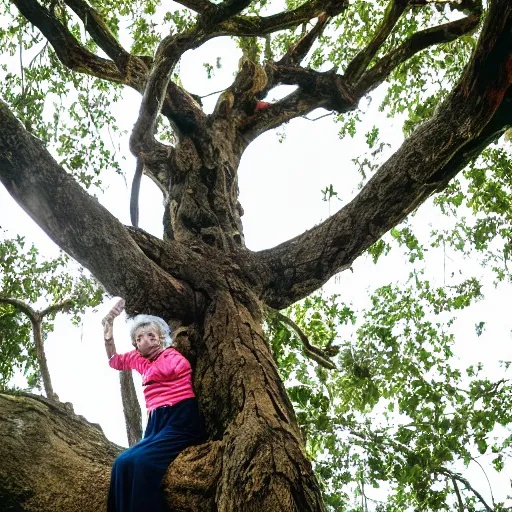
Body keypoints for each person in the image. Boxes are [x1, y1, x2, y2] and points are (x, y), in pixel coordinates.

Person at [102, 299, 205, 512]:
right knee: (121, 463)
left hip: (180, 419)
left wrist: (149, 363)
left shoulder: (172, 355)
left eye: (151, 335)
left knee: (142, 463)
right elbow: (114, 361)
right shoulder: (139, 359)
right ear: (135, 344)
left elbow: (175, 369)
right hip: (156, 423)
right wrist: (108, 331)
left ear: (161, 338)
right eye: (139, 338)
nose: (145, 340)